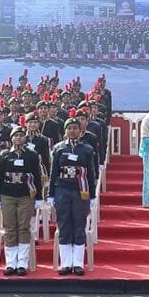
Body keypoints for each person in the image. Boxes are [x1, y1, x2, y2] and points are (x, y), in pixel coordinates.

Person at [0, 126, 44, 275]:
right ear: (11, 138)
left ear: (25, 138)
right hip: (7, 194)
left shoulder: (32, 155)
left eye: (21, 135)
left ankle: (22, 262)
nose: (18, 138)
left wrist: (39, 197)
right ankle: (11, 263)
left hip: (25, 195)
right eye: (15, 135)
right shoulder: (4, 155)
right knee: (10, 228)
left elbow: (37, 176)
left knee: (23, 227)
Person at [50, 116, 97, 275]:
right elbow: (53, 173)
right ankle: (65, 263)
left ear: (80, 130)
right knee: (64, 224)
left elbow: (91, 173)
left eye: (75, 128)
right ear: (65, 131)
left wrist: (92, 195)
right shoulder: (58, 148)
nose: (72, 131)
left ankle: (78, 263)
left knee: (79, 224)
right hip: (62, 190)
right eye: (69, 128)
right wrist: (51, 194)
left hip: (80, 190)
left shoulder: (87, 149)